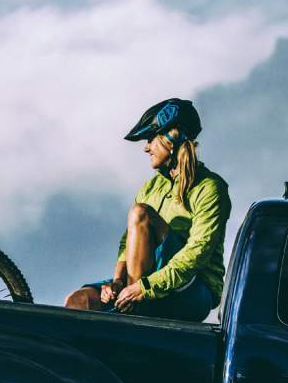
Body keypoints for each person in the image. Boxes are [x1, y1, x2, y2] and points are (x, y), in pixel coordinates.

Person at [64, 98, 231, 322]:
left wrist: (142, 289)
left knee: (140, 213)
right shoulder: (152, 187)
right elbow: (127, 243)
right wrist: (117, 282)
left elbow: (196, 255)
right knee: (77, 301)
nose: (146, 147)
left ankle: (132, 316)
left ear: (172, 137)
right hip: (143, 280)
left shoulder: (211, 188)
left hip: (192, 290)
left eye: (151, 139)